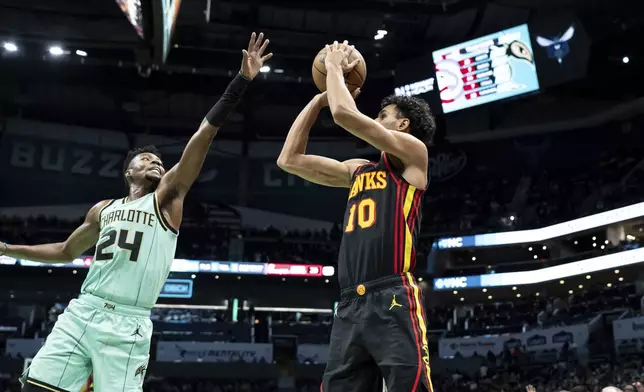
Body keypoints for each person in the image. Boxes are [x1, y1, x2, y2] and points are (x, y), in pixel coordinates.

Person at [1, 32, 272, 392]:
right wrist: (7, 249)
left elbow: (202, 136)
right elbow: (66, 251)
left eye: (160, 160)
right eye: (147, 159)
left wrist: (240, 82)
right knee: (35, 387)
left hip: (129, 322)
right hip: (84, 310)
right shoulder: (103, 209)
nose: (156, 162)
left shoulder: (167, 198)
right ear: (129, 171)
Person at [277, 40, 436, 392]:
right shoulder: (358, 170)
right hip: (349, 300)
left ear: (404, 125)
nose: (375, 120)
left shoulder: (414, 155)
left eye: (383, 116)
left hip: (393, 293)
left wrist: (334, 67)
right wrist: (319, 99)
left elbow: (346, 116)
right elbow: (288, 159)